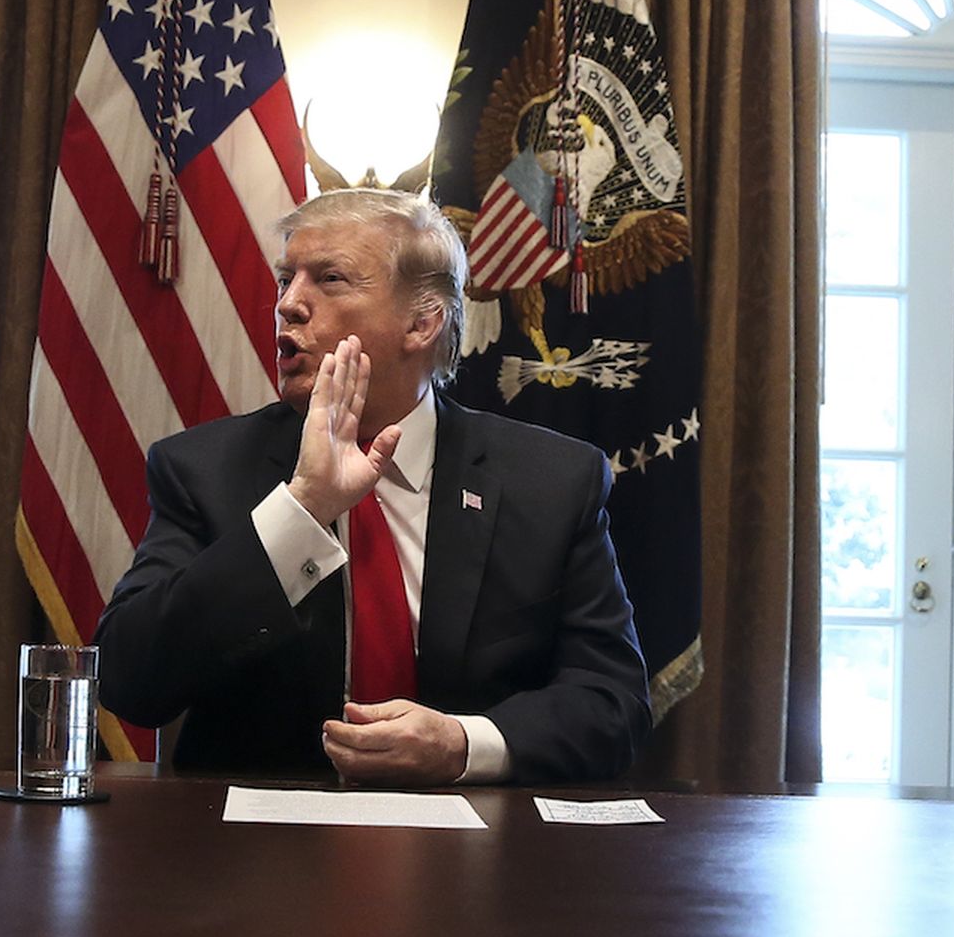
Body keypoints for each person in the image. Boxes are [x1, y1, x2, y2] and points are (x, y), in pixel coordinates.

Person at [95, 188, 650, 787]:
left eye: (329, 279)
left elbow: (612, 703)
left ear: (421, 321)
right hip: (259, 860)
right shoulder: (203, 470)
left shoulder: (551, 481)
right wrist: (302, 509)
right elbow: (129, 680)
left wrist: (464, 744)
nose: (288, 304)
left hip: (474, 855)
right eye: (286, 279)